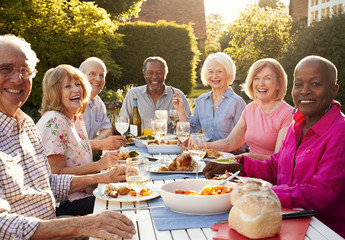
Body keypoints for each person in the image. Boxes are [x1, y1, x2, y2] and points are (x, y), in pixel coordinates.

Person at [0, 35, 135, 239]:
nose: (17, 78)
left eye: (24, 70)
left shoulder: (25, 125)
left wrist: (104, 177)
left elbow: (48, 183)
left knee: (132, 218)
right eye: (5, 69)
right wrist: (80, 225)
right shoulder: (53, 120)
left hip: (54, 224)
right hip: (56, 224)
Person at [203, 55, 345, 238]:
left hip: (324, 230)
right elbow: (277, 165)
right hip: (286, 217)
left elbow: (323, 193)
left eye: (315, 84)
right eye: (299, 84)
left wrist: (264, 192)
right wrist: (236, 166)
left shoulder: (340, 131)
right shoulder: (297, 124)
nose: (305, 91)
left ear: (333, 90)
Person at [36, 64, 121, 216]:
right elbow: (56, 176)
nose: (76, 89)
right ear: (55, 93)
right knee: (119, 205)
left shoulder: (75, 118)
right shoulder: (54, 121)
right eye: (67, 86)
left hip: (84, 193)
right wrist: (99, 165)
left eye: (78, 84)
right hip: (64, 203)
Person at [206, 58, 293, 160]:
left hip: (270, 174)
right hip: (248, 170)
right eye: (256, 78)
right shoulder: (251, 108)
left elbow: (279, 159)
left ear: (279, 83)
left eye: (267, 78)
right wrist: (198, 146)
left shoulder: (288, 114)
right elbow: (229, 143)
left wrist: (250, 157)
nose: (260, 83)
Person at [172, 52, 246, 146]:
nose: (214, 76)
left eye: (220, 71)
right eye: (210, 71)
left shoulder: (237, 103)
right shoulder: (201, 100)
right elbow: (191, 131)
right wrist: (181, 111)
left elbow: (241, 143)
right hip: (206, 155)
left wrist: (201, 146)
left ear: (228, 73)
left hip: (230, 157)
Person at [120, 56, 192, 134]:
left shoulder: (177, 95)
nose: (154, 77)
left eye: (159, 73)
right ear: (144, 75)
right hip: (139, 145)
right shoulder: (133, 94)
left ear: (165, 74)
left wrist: (181, 123)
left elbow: (189, 127)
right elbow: (123, 124)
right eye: (150, 73)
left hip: (169, 145)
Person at [79, 57, 126, 150]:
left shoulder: (98, 103)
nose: (98, 79)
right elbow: (71, 145)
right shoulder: (74, 102)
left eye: (101, 75)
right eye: (92, 74)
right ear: (81, 76)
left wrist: (95, 143)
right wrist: (99, 144)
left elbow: (107, 129)